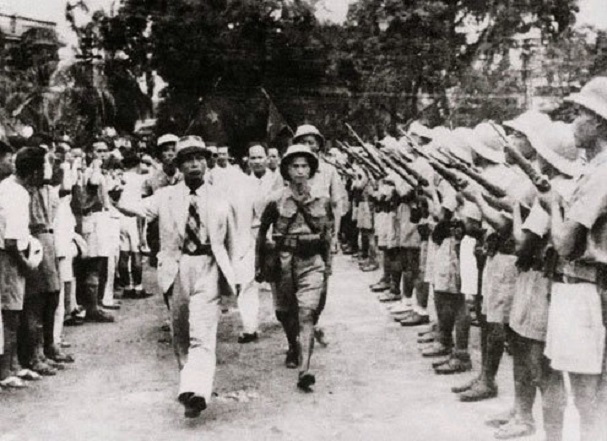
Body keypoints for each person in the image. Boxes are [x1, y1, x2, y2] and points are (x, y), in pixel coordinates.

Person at [118, 135, 236, 418]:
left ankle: (197, 389)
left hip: (209, 265)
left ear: (206, 163)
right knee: (180, 334)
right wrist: (128, 183)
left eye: (199, 158)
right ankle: (189, 389)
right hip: (177, 267)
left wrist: (231, 275)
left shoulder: (221, 197)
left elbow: (231, 239)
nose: (194, 164)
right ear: (179, 165)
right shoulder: (166, 196)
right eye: (188, 160)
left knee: (202, 333)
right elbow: (128, 206)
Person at [548, 76, 607, 441]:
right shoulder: (594, 168)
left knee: (588, 398)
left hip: (589, 287)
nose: (574, 122)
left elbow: (565, 242)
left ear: (598, 122)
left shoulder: (601, 174)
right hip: (588, 286)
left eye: (580, 113)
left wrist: (553, 205)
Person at [255, 144, 332, 391]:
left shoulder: (322, 199)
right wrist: (259, 264)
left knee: (307, 313)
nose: (300, 171)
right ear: (286, 170)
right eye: (295, 166)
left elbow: (327, 235)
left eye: (304, 166)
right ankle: (292, 345)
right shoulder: (275, 200)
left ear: (311, 170)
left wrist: (328, 265)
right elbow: (262, 233)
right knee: (285, 311)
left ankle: (305, 370)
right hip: (283, 261)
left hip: (312, 261)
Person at [292, 124, 344, 346]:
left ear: (319, 145)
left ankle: (312, 322)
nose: (307, 146)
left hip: (321, 237)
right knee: (292, 286)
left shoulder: (329, 171)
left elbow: (337, 204)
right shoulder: (289, 169)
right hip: (294, 236)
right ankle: (298, 335)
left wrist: (336, 236)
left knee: (321, 286)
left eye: (311, 142)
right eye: (302, 142)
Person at [0, 146, 45, 388]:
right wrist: (26, 264)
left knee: (15, 313)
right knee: (10, 315)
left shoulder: (8, 186)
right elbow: (10, 241)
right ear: (35, 172)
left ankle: (15, 364)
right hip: (9, 257)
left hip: (11, 254)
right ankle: (5, 371)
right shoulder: (17, 194)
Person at [232, 144, 282, 343]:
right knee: (247, 281)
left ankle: (284, 315)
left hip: (275, 235)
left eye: (260, 157)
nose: (257, 161)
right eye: (253, 158)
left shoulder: (278, 180)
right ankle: (249, 328)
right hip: (250, 235)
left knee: (279, 279)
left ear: (267, 158)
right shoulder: (242, 183)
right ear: (248, 161)